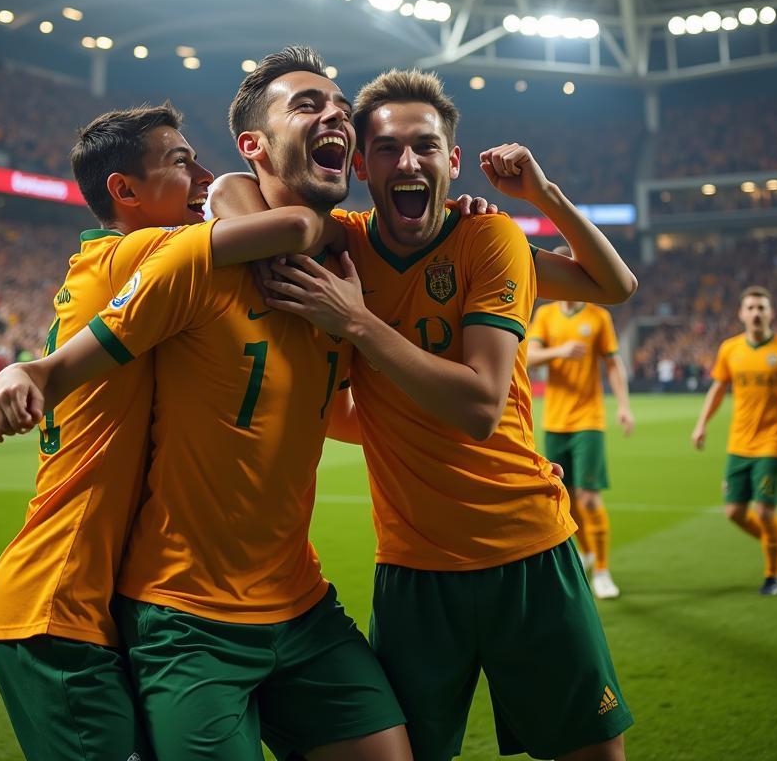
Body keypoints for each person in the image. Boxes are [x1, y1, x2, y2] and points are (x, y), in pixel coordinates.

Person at [213, 68, 637, 760]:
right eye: (386, 149)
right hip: (413, 572)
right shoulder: (341, 243)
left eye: (425, 146)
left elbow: (479, 406)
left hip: (526, 551)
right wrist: (364, 412)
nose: (407, 162)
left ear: (452, 161)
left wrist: (542, 196)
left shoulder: (487, 238)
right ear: (361, 164)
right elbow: (233, 188)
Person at [0, 84, 411, 761]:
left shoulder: (231, 264)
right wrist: (26, 373)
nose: (203, 179)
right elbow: (277, 221)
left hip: (213, 598)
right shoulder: (152, 255)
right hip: (67, 598)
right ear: (125, 191)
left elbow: (330, 411)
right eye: (183, 163)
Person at [527, 249, 635, 600]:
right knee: (568, 499)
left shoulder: (598, 317)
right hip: (556, 420)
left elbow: (614, 364)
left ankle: (602, 571)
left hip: (589, 419)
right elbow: (527, 354)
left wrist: (623, 406)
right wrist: (558, 352)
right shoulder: (545, 317)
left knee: (589, 499)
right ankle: (587, 553)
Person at [691, 286, 777, 596]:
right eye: (751, 308)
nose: (756, 313)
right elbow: (718, 389)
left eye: (762, 308)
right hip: (738, 444)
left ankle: (773, 574)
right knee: (734, 512)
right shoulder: (730, 349)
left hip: (772, 443)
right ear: (741, 314)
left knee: (767, 512)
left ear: (771, 313)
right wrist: (702, 424)